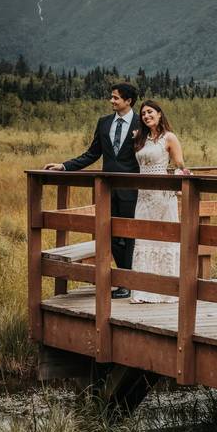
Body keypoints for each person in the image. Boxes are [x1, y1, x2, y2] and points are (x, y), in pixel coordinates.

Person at [44, 83, 141, 298]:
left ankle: (128, 282)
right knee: (111, 235)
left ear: (128, 101)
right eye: (112, 97)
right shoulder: (104, 123)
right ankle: (125, 281)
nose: (111, 101)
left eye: (116, 98)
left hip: (133, 190)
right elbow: (92, 153)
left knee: (130, 234)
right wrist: (65, 166)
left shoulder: (140, 122)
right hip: (107, 190)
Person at [129, 100, 189, 304]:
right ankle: (143, 290)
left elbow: (180, 165)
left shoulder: (169, 138)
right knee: (144, 237)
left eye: (150, 112)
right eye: (143, 113)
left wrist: (179, 186)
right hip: (144, 195)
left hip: (163, 195)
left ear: (160, 114)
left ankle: (167, 290)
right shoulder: (139, 138)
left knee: (164, 237)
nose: (146, 116)